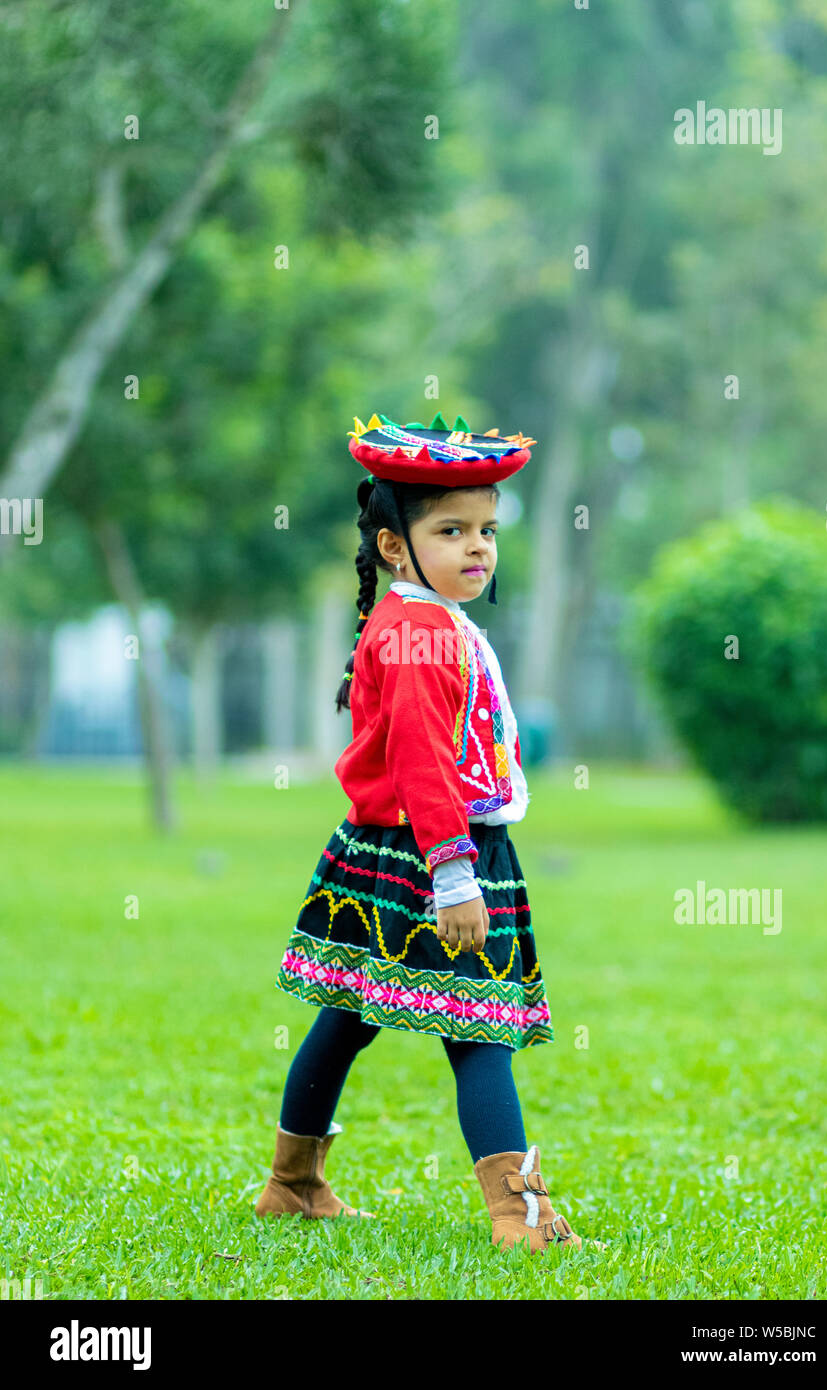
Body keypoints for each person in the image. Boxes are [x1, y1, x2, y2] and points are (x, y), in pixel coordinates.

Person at [254, 411, 606, 1254]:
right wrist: (454, 872)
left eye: (487, 529)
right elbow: (419, 760)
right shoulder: (417, 632)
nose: (478, 547)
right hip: (429, 855)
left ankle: (292, 1186)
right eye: (451, 530)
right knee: (479, 1032)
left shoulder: (429, 620)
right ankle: (517, 1218)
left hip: (390, 853)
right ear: (393, 547)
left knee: (347, 1016)